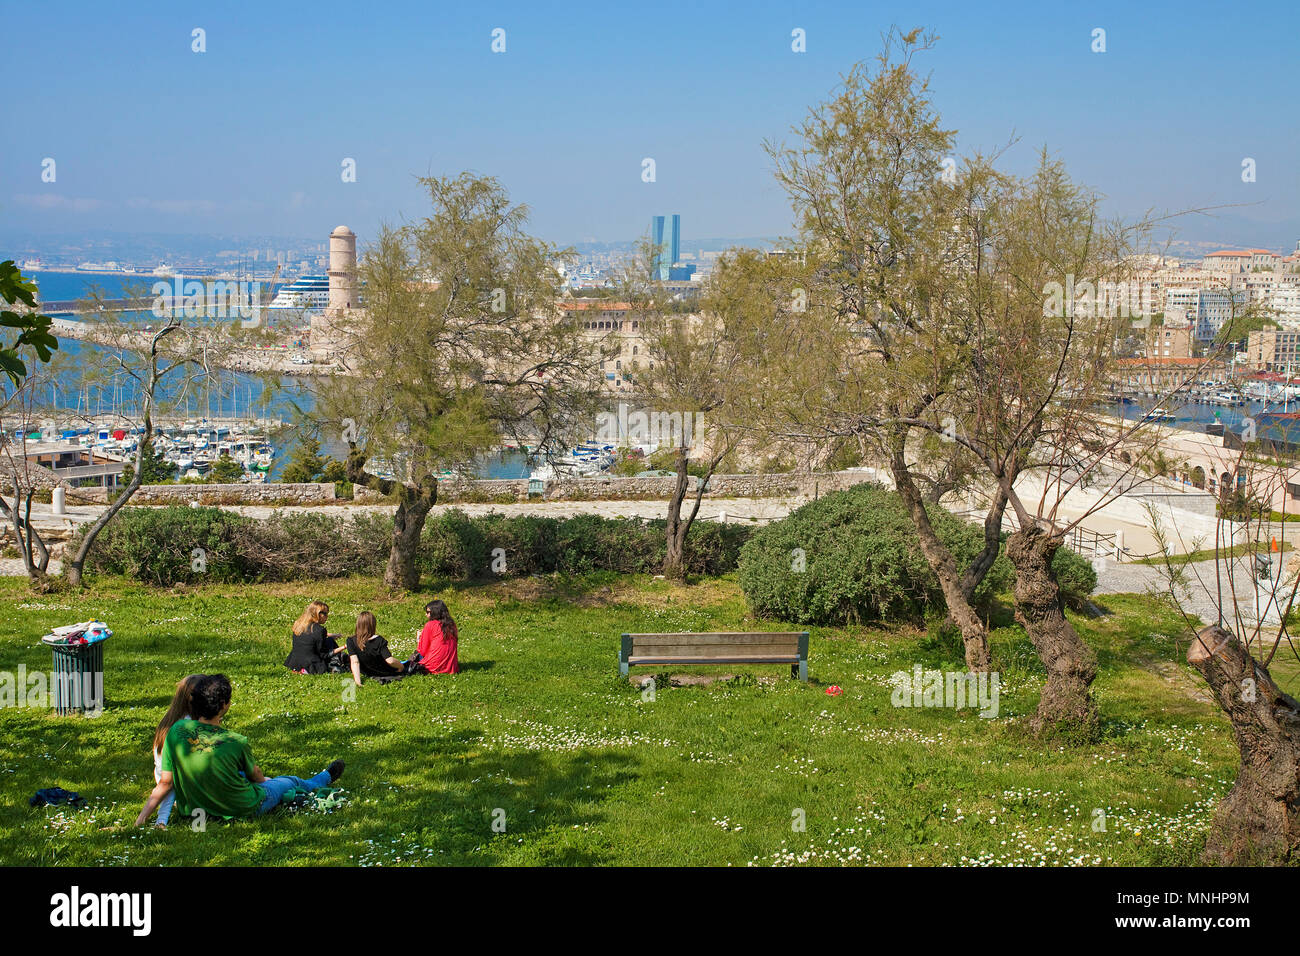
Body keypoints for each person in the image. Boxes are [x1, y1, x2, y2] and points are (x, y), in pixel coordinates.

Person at [135, 674, 344, 826]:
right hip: (245, 807)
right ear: (224, 705)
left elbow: (165, 783)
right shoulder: (235, 741)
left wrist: (141, 822)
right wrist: (273, 784)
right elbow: (258, 777)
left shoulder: (176, 731)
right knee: (288, 782)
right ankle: (320, 780)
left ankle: (292, 794)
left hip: (199, 811)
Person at [146, 674, 204, 827]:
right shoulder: (187, 727)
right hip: (178, 788)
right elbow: (170, 782)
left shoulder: (170, 719)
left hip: (165, 781)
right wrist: (161, 820)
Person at [284, 600, 347, 674]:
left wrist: (330, 635)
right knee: (330, 642)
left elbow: (310, 636)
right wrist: (343, 647)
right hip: (311, 665)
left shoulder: (299, 625)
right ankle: (335, 665)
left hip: (295, 663)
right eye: (326, 614)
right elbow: (324, 654)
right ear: (319, 614)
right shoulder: (320, 630)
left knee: (329, 639)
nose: (327, 616)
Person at [346, 611, 405, 685]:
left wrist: (358, 682)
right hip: (384, 671)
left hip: (368, 672)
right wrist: (401, 666)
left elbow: (355, 662)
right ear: (373, 624)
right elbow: (390, 661)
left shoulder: (350, 641)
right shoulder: (379, 640)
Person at [413, 599, 459, 674]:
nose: (426, 614)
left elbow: (422, 651)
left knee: (414, 658)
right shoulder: (452, 625)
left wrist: (419, 638)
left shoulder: (430, 625)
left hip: (432, 667)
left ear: (435, 612)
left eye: (428, 612)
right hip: (451, 667)